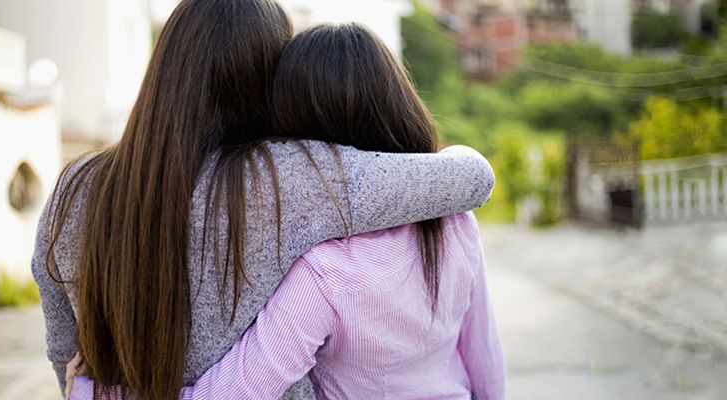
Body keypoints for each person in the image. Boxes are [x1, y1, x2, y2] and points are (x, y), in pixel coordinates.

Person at [33, 1, 495, 400]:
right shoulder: (293, 176)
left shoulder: (71, 189)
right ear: (269, 79)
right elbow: (471, 179)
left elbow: (65, 352)